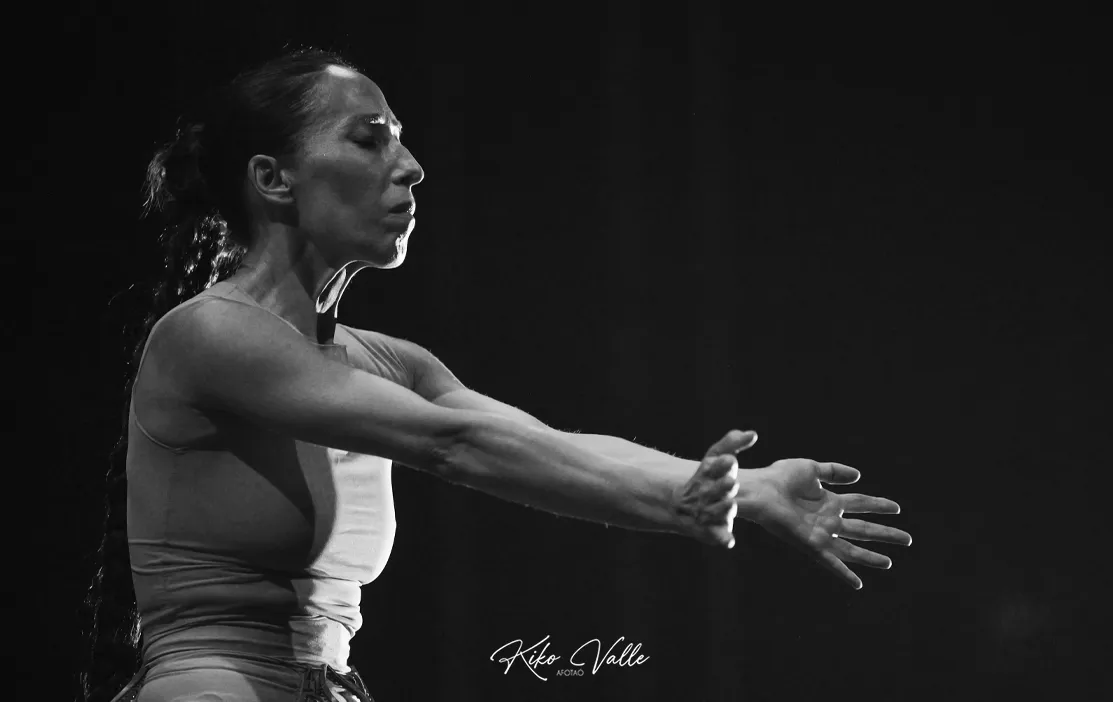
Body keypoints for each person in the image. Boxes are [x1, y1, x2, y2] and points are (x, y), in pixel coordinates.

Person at [79, 47, 913, 702]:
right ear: (272, 179)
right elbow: (455, 444)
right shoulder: (210, 334)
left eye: (401, 138)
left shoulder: (389, 362)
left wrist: (742, 489)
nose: (410, 166)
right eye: (369, 139)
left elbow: (539, 441)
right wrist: (675, 505)